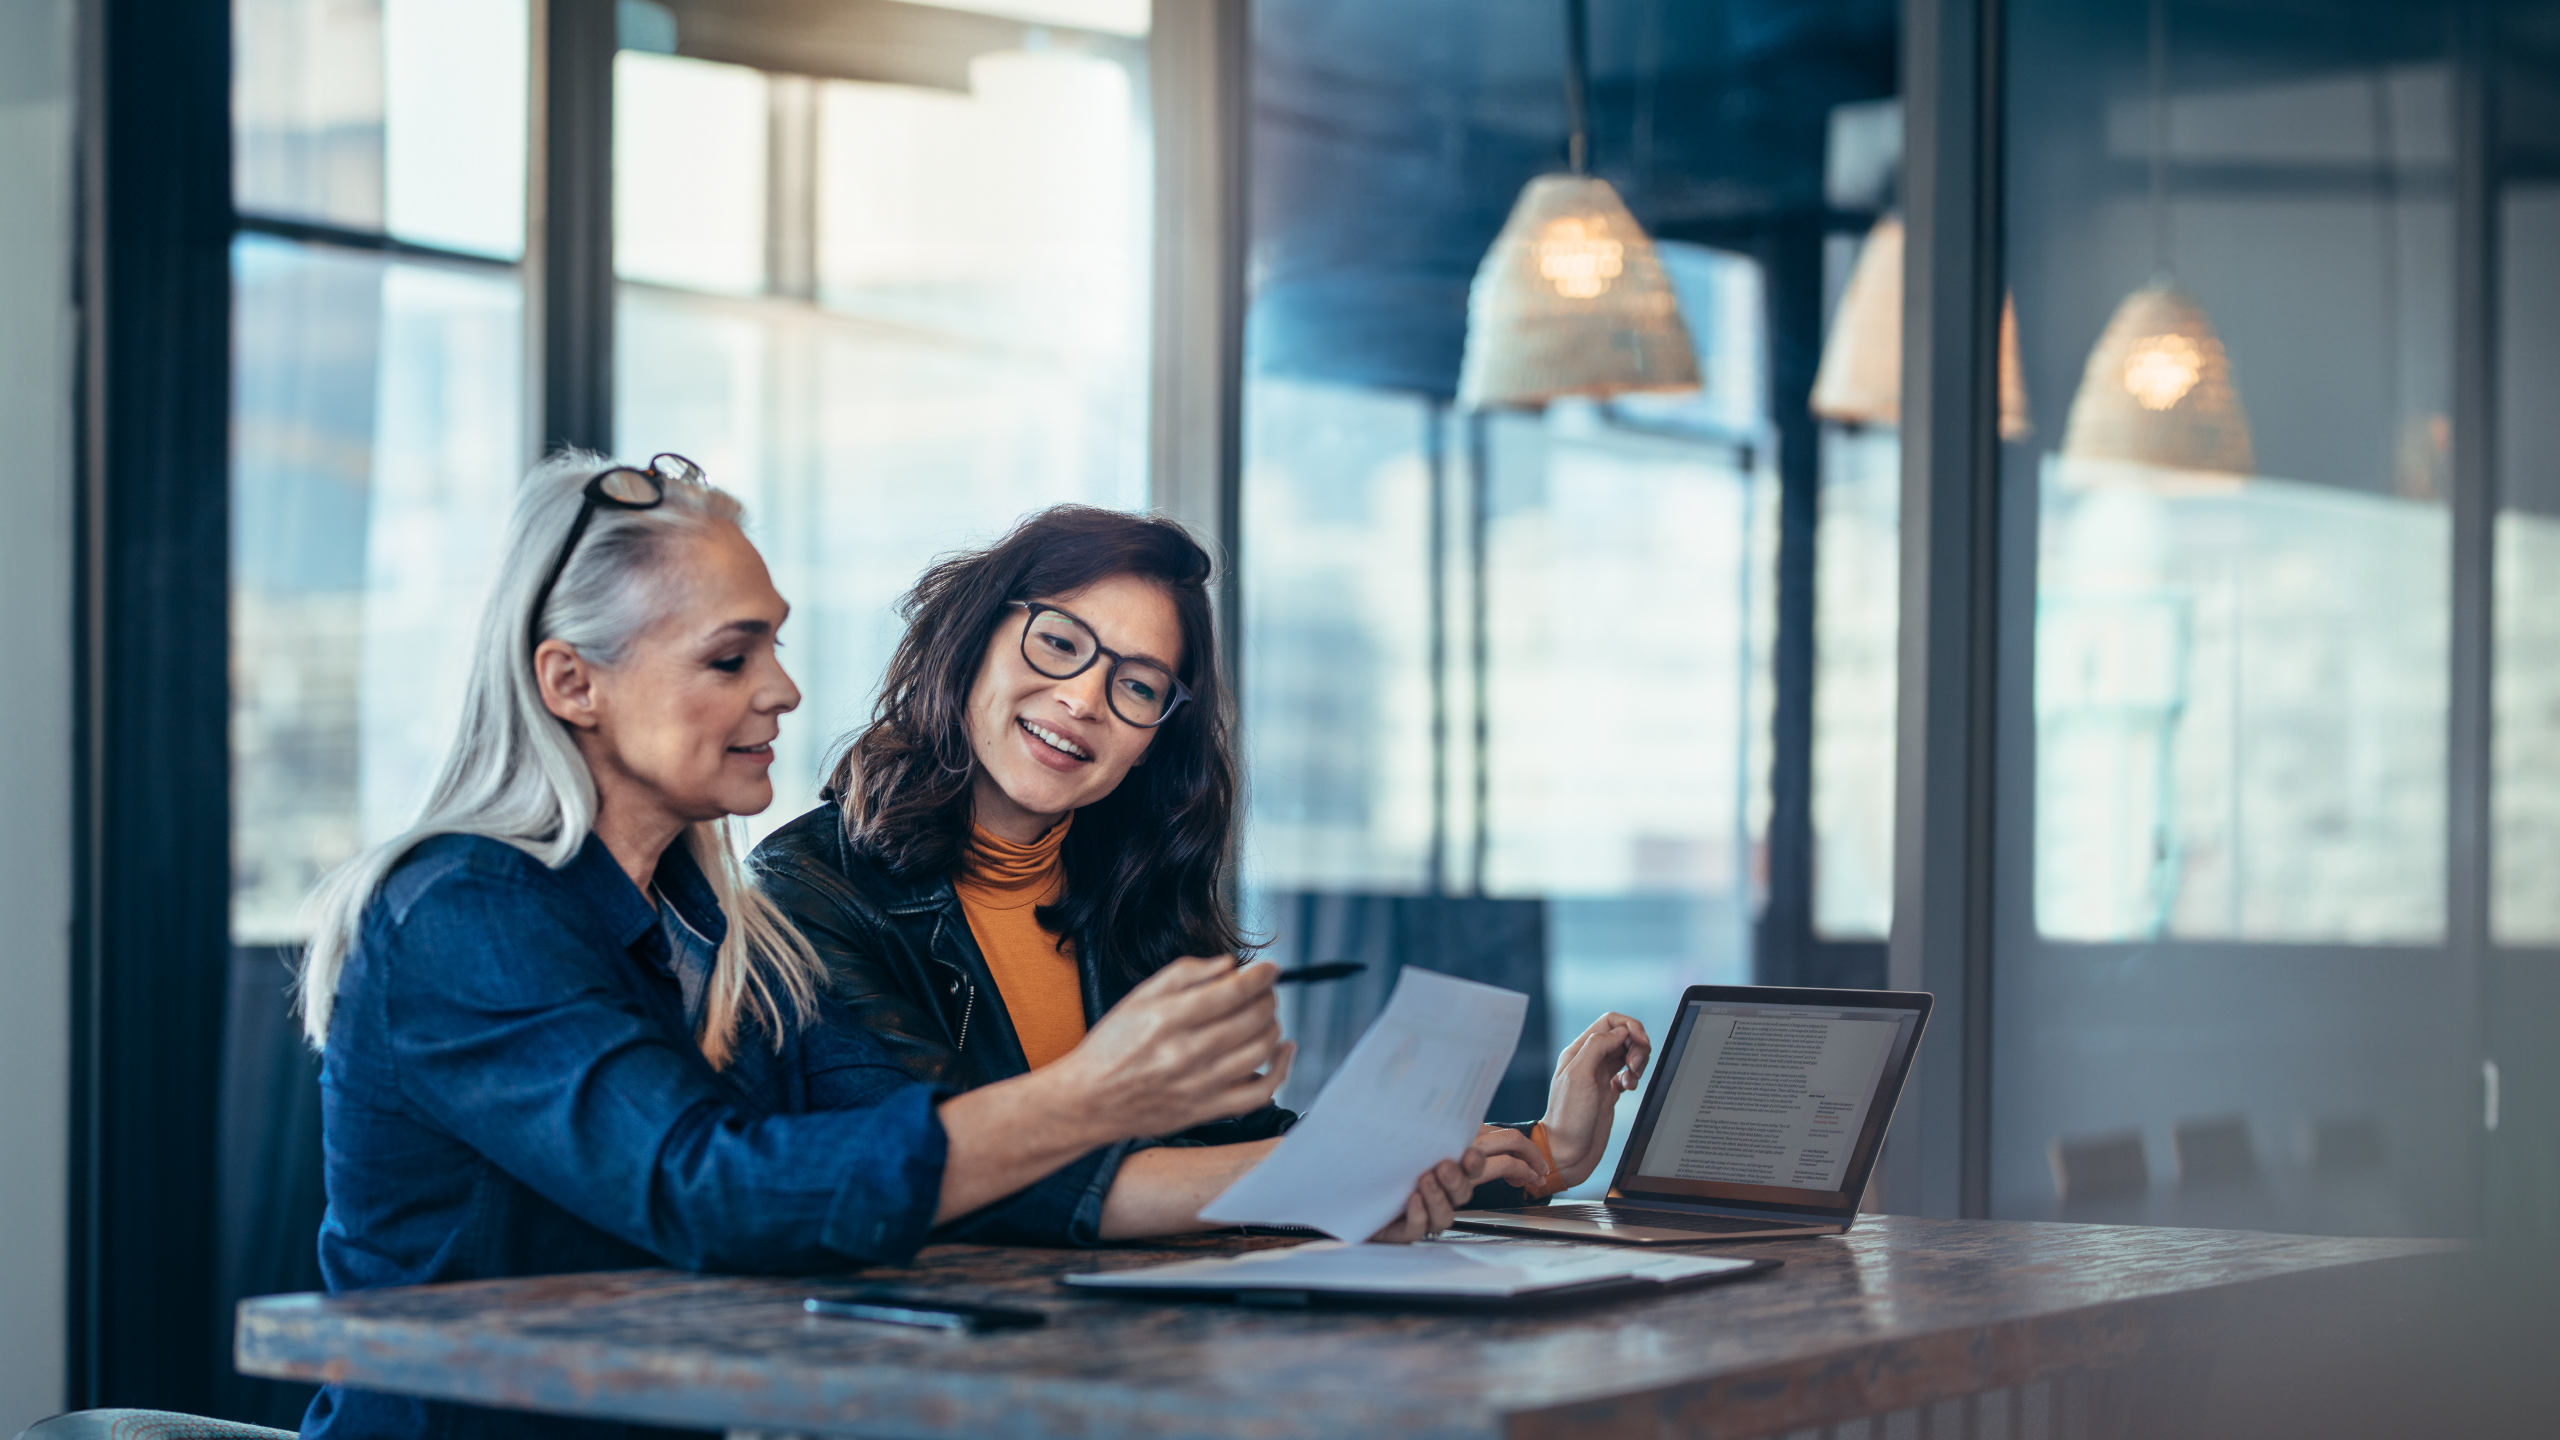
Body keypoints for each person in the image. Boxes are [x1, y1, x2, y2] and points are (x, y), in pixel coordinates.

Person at [294, 456, 1358, 1440]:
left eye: (773, 645)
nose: (782, 691)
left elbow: (895, 1153)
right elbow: (710, 1193)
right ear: (573, 683)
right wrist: (1094, 1094)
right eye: (729, 656)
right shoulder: (462, 911)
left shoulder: (714, 930)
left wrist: (1355, 1170)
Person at [751, 505, 1652, 1232]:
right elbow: (953, 1173)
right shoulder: (805, 891)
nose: (1082, 700)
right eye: (1059, 643)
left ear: (1153, 741)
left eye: (1137, 686)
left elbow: (1235, 1147)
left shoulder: (1131, 893)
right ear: (973, 638)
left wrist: (1543, 1152)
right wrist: (1333, 1176)